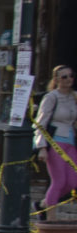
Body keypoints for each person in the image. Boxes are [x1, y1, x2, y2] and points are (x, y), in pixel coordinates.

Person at [36, 65, 77, 216]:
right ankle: (51, 218)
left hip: (71, 141)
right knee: (59, 181)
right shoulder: (51, 97)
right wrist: (41, 147)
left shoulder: (74, 97)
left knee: (73, 181)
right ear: (56, 79)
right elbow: (41, 122)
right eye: (64, 77)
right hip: (55, 141)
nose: (68, 79)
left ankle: (43, 204)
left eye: (71, 76)